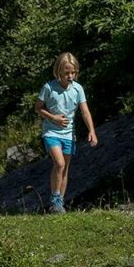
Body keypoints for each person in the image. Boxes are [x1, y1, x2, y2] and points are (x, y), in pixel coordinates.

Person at [36, 51, 97, 214]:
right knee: (59, 163)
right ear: (59, 71)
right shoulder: (49, 87)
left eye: (73, 72)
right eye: (67, 73)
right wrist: (53, 117)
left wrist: (92, 130)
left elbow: (85, 111)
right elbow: (38, 108)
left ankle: (59, 204)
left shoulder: (78, 89)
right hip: (51, 132)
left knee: (65, 168)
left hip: (69, 135)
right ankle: (55, 198)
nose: (70, 76)